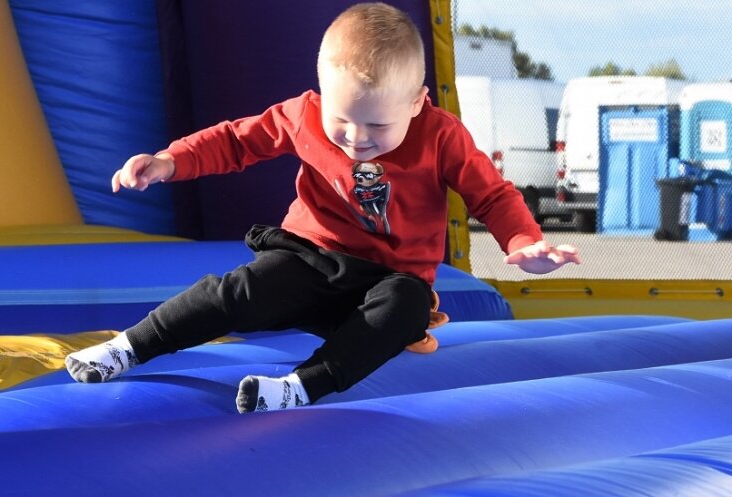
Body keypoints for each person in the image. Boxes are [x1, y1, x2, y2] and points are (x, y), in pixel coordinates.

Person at [65, 2, 580, 413]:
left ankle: (301, 387)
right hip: (311, 259)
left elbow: (490, 194)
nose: (357, 139)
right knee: (235, 291)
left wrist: (523, 242)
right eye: (343, 121)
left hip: (388, 278)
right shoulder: (304, 115)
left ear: (418, 101)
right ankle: (128, 348)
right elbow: (236, 141)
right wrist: (169, 160)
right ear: (321, 95)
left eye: (378, 127)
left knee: (405, 308)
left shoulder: (441, 136)